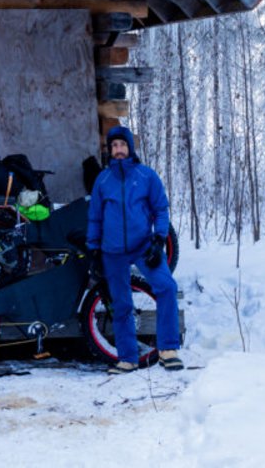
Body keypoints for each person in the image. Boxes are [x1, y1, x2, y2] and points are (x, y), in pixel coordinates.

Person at [86, 125, 183, 374]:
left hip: (143, 247)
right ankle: (128, 358)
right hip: (112, 251)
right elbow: (95, 217)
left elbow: (160, 209)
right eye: (114, 146)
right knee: (121, 304)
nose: (118, 150)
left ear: (130, 148)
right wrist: (94, 250)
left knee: (167, 287)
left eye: (122, 145)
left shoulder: (146, 176)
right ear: (110, 150)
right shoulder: (103, 180)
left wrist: (159, 239)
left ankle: (168, 349)